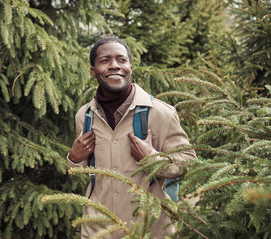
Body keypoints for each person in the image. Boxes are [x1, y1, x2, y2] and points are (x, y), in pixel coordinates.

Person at [67, 36, 196, 238]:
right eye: (104, 60)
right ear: (93, 71)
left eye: (121, 60)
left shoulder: (161, 113)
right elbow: (89, 174)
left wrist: (152, 158)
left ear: (130, 67)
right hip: (98, 230)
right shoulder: (84, 116)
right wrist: (74, 159)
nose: (114, 66)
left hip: (150, 230)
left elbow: (187, 163)